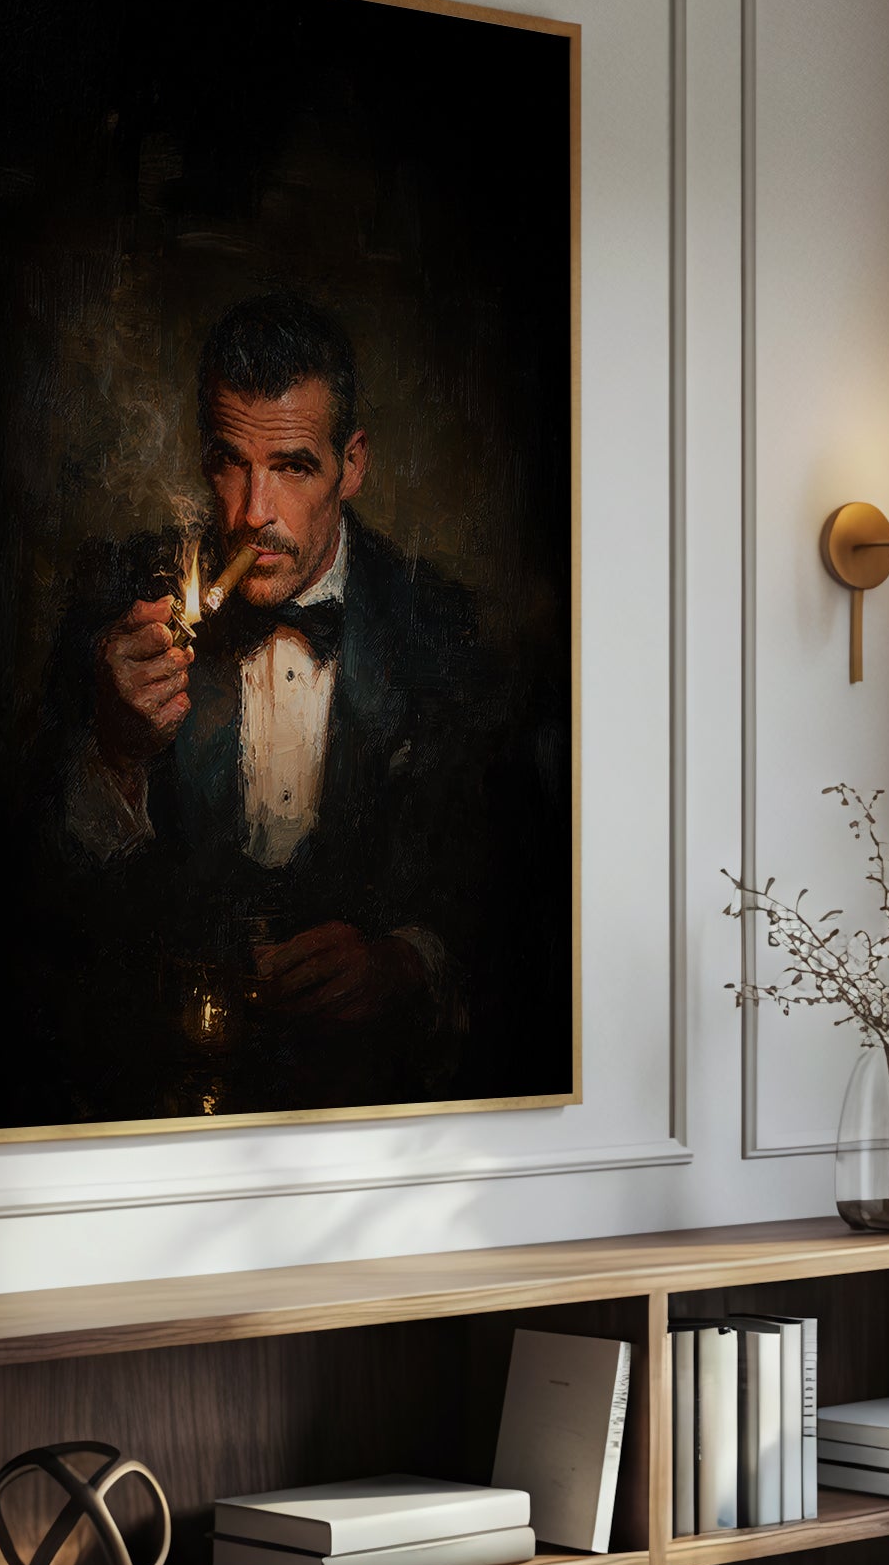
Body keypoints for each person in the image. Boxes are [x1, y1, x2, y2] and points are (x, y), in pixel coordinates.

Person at [36, 294, 526, 1119]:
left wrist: (401, 963)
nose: (253, 513)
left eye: (293, 466)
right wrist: (113, 755)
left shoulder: (445, 632)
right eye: (232, 461)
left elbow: (507, 902)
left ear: (353, 465)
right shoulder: (113, 609)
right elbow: (29, 910)